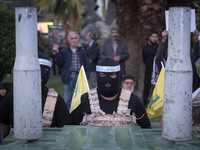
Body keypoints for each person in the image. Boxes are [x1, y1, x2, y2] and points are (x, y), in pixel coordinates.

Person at [0, 52, 72, 139]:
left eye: (45, 71)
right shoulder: (11, 98)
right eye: (36, 70)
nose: (41, 76)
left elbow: (66, 130)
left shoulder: (56, 100)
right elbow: (3, 126)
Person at [71, 58, 151, 128]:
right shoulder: (86, 99)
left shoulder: (133, 100)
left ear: (119, 76)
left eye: (112, 75)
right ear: (98, 76)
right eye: (102, 75)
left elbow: (146, 129)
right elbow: (72, 128)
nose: (107, 80)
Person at [53, 31, 87, 110]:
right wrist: (56, 53)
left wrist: (86, 75)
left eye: (75, 38)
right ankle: (68, 117)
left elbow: (86, 64)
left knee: (80, 99)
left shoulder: (82, 51)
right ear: (69, 41)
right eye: (72, 38)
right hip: (67, 77)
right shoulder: (64, 51)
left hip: (79, 76)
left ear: (78, 40)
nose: (73, 40)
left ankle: (79, 116)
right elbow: (59, 63)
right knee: (68, 100)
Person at [142, 32, 159, 106]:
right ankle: (144, 103)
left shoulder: (160, 47)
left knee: (157, 87)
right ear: (150, 37)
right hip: (149, 70)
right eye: (153, 36)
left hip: (158, 70)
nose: (154, 38)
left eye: (156, 37)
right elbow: (144, 58)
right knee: (147, 87)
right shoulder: (146, 47)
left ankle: (156, 104)